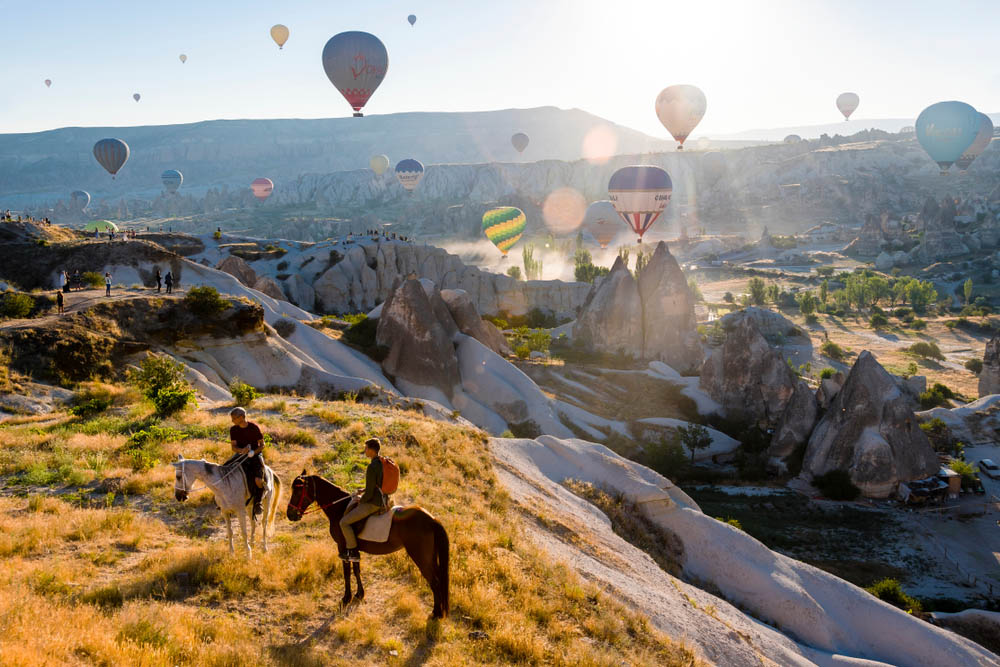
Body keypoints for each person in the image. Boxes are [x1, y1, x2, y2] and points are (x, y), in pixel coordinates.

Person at [339, 437, 388, 562]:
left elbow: (371, 493)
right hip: (384, 498)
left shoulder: (372, 467)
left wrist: (362, 499)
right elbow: (377, 485)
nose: (365, 451)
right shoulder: (382, 463)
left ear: (371, 450)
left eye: (366, 448)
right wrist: (363, 490)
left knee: (344, 523)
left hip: (374, 503)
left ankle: (353, 552)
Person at [228, 407, 266, 518]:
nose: (232, 421)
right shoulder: (233, 429)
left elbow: (262, 445)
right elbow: (233, 447)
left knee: (258, 480)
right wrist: (241, 451)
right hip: (240, 455)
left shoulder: (254, 428)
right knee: (226, 470)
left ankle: (258, 503)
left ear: (241, 417)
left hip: (254, 455)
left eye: (234, 418)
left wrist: (254, 452)